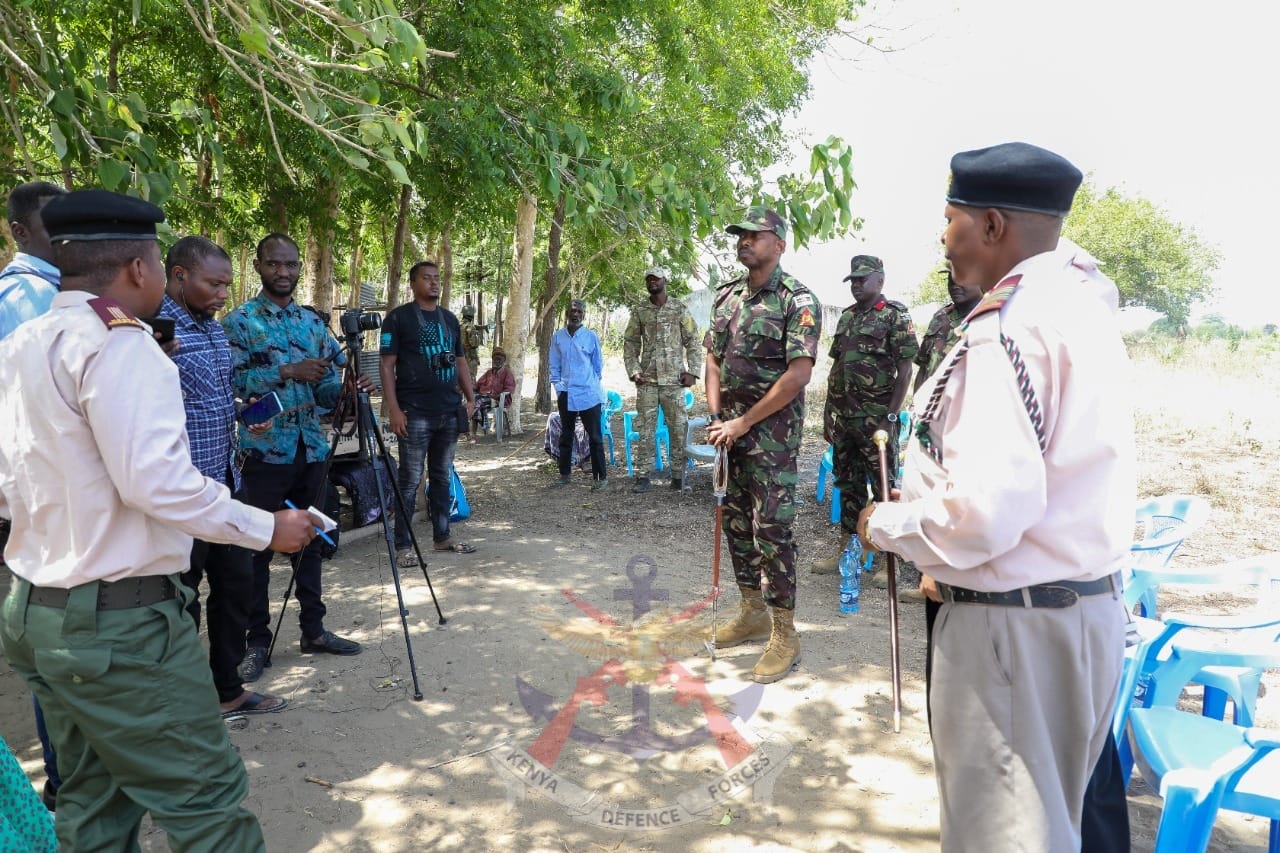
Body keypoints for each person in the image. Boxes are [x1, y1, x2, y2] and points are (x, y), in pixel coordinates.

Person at [0, 189, 317, 851]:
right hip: (117, 626)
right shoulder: (121, 344)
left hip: (36, 610)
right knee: (208, 805)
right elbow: (158, 484)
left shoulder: (22, 342)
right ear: (140, 268)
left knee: (93, 802)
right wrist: (267, 528)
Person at [858, 142, 1134, 850]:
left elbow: (985, 512)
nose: (942, 237)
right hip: (1079, 612)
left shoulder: (1008, 324)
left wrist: (888, 523)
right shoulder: (1078, 302)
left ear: (990, 225)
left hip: (1014, 629)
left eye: (950, 219)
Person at [223, 232, 370, 683]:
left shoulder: (311, 324)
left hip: (311, 450)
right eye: (274, 264)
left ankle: (314, 630)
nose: (283, 272)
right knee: (257, 550)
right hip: (265, 453)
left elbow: (323, 388)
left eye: (290, 264)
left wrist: (345, 392)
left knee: (312, 542)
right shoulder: (240, 322)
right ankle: (257, 642)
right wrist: (287, 370)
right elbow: (232, 381)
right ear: (259, 266)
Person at [159, 235, 288, 717]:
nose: (222, 294)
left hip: (228, 483)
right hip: (182, 494)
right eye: (213, 284)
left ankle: (228, 688)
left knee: (236, 588)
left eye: (227, 285)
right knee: (182, 600)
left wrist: (243, 411)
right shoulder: (154, 332)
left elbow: (212, 396)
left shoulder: (214, 331)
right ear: (179, 275)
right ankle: (188, 699)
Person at [704, 206, 820, 684]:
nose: (745, 241)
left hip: (772, 439)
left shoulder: (798, 300)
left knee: (771, 530)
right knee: (736, 525)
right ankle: (751, 610)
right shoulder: (727, 296)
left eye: (756, 234)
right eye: (741, 235)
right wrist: (717, 417)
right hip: (729, 435)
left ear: (780, 244)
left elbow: (798, 375)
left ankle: (785, 632)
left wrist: (743, 422)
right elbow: (712, 359)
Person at [0, 180, 66, 812]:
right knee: (58, 640)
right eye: (54, 225)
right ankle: (66, 785)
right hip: (48, 501)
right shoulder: (24, 300)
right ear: (19, 232)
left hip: (57, 498)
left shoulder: (59, 292)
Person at [813, 255, 916, 578]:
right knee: (848, 486)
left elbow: (905, 370)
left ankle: (888, 561)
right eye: (853, 280)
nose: (856, 285)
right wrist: (829, 412)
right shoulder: (847, 317)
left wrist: (890, 417)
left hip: (877, 422)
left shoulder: (894, 316)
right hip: (846, 420)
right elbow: (837, 368)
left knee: (884, 488)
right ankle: (848, 552)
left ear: (879, 280)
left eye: (862, 279)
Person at [380, 260, 477, 564]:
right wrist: (394, 409)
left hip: (448, 411)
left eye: (437, 278)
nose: (434, 282)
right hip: (414, 413)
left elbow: (460, 361)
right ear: (413, 283)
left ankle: (442, 537)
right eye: (426, 278)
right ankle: (403, 546)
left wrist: (471, 397)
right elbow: (387, 365)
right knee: (410, 480)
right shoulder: (398, 319)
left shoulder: (449, 319)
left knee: (441, 477)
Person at [622, 266, 702, 493]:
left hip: (674, 381)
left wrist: (693, 372)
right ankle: (643, 476)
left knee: (678, 429)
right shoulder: (640, 310)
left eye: (656, 278)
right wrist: (634, 370)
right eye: (648, 279)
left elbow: (693, 340)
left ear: (664, 280)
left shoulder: (678, 308)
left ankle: (678, 476)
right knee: (645, 430)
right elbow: (630, 343)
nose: (652, 282)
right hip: (647, 381)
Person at [549, 299, 607, 490]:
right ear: (567, 314)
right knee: (566, 434)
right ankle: (565, 475)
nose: (575, 314)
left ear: (583, 315)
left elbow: (598, 366)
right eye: (572, 311)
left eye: (579, 312)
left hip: (588, 393)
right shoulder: (558, 337)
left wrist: (590, 383)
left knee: (595, 437)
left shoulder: (590, 337)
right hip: (566, 392)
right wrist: (559, 388)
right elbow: (554, 364)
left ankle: (600, 478)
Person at [0, 181, 66, 341]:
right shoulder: (32, 293)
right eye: (56, 226)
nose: (69, 235)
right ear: (20, 232)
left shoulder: (48, 285)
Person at [472, 346, 516, 439]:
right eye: (495, 359)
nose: (497, 361)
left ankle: (474, 432)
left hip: (499, 400)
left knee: (477, 401)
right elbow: (478, 384)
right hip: (485, 398)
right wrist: (469, 388)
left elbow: (509, 389)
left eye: (499, 359)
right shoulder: (489, 372)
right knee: (474, 399)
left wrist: (496, 396)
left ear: (504, 360)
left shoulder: (507, 373)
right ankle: (475, 430)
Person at [460, 303, 484, 379]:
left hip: (459, 355)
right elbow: (474, 343)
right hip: (470, 356)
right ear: (471, 315)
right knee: (471, 378)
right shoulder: (470, 326)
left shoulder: (458, 325)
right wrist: (478, 336)